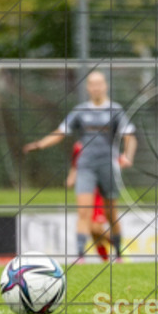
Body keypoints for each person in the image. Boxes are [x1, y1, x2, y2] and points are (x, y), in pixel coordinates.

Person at [24, 70, 136, 264]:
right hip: (86, 166)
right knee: (84, 211)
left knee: (111, 214)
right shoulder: (80, 111)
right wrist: (41, 144)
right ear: (87, 88)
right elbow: (61, 132)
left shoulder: (115, 110)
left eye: (99, 84)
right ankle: (79, 256)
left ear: (105, 86)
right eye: (92, 84)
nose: (96, 87)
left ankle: (118, 253)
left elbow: (130, 136)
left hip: (108, 166)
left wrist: (127, 156)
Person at [67, 142, 111, 262]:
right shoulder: (78, 146)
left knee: (96, 227)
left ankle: (120, 247)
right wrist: (71, 177)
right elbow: (75, 164)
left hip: (99, 191)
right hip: (84, 190)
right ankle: (105, 260)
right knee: (91, 230)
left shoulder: (102, 144)